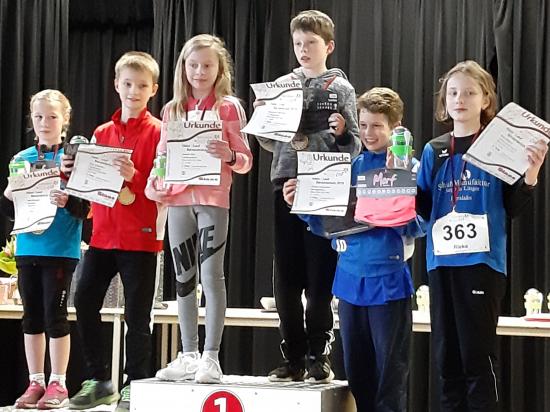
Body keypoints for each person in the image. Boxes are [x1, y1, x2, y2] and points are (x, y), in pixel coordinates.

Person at [416, 60, 548, 411]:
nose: (460, 99)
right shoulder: (433, 150)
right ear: (444, 100)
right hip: (441, 263)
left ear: (486, 99)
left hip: (481, 263)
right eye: (453, 93)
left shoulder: (498, 147)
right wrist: (397, 182)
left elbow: (512, 206)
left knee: (477, 357)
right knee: (447, 359)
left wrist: (531, 174)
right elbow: (422, 207)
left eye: (470, 93)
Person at [283, 87, 423, 411]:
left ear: (396, 126)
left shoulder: (410, 168)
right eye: (364, 125)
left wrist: (395, 201)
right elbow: (327, 225)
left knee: (390, 378)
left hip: (387, 282)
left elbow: (418, 225)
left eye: (378, 126)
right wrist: (301, 203)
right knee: (358, 378)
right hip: (348, 283)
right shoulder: (348, 167)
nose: (369, 133)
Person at [255, 9, 361, 383]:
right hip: (285, 182)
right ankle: (294, 357)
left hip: (325, 185)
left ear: (328, 46)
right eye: (298, 43)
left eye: (311, 43)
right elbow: (268, 142)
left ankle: (319, 354)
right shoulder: (283, 85)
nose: (303, 49)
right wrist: (264, 120)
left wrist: (342, 132)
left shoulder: (342, 89)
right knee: (286, 275)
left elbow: (355, 146)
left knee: (320, 275)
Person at [146, 34, 252, 384]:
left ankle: (211, 356)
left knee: (211, 275)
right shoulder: (172, 109)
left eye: (207, 65)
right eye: (193, 65)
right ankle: (189, 353)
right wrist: (156, 179)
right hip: (178, 201)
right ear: (183, 68)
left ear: (220, 69)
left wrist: (229, 155)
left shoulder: (228, 107)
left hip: (212, 200)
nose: (200, 71)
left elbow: (246, 160)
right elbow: (162, 156)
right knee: (183, 277)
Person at [66, 51, 164, 412]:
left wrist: (134, 177)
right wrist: (70, 170)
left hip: (141, 236)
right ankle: (99, 380)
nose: (133, 91)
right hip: (103, 235)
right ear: (116, 86)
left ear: (153, 90)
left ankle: (134, 384)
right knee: (84, 301)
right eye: (127, 84)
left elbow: (162, 184)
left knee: (137, 317)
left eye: (141, 85)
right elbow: (90, 183)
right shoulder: (101, 133)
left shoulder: (159, 132)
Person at [1, 89, 88, 409]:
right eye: (38, 116)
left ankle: (58, 383)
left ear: (65, 119)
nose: (44, 122)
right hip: (28, 247)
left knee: (55, 315)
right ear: (31, 119)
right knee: (31, 317)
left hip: (60, 250)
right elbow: (9, 210)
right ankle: (35, 381)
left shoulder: (73, 159)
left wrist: (68, 201)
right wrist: (11, 192)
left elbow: (86, 210)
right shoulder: (21, 159)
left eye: (52, 116)